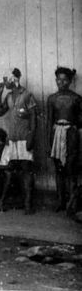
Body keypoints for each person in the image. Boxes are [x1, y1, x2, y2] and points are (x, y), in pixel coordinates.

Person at [0, 68, 38, 214]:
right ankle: (17, 201)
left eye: (7, 79)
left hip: (24, 138)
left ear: (14, 79)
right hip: (13, 139)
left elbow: (33, 116)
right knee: (14, 170)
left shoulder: (26, 95)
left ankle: (28, 204)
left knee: (27, 170)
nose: (5, 81)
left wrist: (31, 136)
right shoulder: (8, 96)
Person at [47, 66, 81, 214]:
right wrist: (49, 142)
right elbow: (49, 121)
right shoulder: (52, 98)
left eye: (65, 80)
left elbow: (80, 120)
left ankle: (72, 203)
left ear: (70, 81)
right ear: (56, 80)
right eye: (59, 80)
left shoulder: (76, 98)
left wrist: (72, 128)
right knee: (58, 168)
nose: (61, 82)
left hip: (71, 134)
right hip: (56, 134)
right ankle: (60, 201)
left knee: (71, 168)